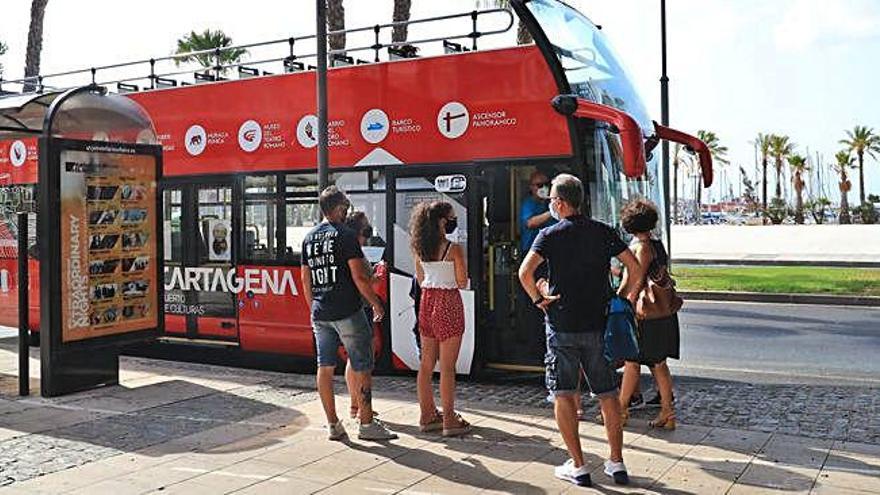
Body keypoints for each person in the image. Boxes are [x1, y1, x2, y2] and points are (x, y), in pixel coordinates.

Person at [519, 174, 643, 487]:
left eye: (551, 201)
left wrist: (539, 299)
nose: (550, 204)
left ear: (560, 203)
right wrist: (622, 296)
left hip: (561, 325)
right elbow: (635, 267)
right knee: (607, 395)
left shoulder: (549, 234)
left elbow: (525, 273)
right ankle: (616, 462)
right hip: (599, 325)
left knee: (563, 393)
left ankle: (579, 466)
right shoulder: (603, 231)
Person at [301, 186, 397, 441]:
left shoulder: (308, 239)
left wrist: (315, 307)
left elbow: (305, 280)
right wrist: (376, 302)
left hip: (320, 313)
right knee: (363, 364)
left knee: (325, 366)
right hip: (347, 310)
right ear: (339, 208)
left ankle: (333, 424)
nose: (346, 213)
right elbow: (359, 277)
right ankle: (366, 424)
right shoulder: (345, 236)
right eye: (345, 208)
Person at [617, 198, 680, 430]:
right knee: (658, 363)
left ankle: (620, 410)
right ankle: (667, 412)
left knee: (632, 362)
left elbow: (635, 279)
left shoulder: (640, 248)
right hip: (661, 312)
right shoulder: (657, 245)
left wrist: (623, 304)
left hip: (644, 314)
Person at [411, 201, 471, 437]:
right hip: (448, 302)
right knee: (447, 367)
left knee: (426, 364)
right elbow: (462, 281)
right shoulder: (453, 248)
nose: (453, 221)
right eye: (451, 218)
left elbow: (420, 278)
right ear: (442, 221)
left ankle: (427, 416)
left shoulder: (419, 248)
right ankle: (449, 419)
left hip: (427, 301)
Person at [343, 211, 379, 421]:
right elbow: (362, 279)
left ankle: (356, 405)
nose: (368, 232)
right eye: (366, 228)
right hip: (360, 307)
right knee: (360, 359)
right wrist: (376, 277)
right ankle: (358, 407)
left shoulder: (350, 249)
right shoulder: (354, 250)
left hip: (354, 306)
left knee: (354, 357)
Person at [519, 170, 556, 255]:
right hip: (532, 251)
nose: (543, 188)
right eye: (539, 185)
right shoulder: (528, 204)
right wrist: (552, 212)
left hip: (550, 249)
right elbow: (530, 223)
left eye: (546, 184)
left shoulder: (551, 202)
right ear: (531, 187)